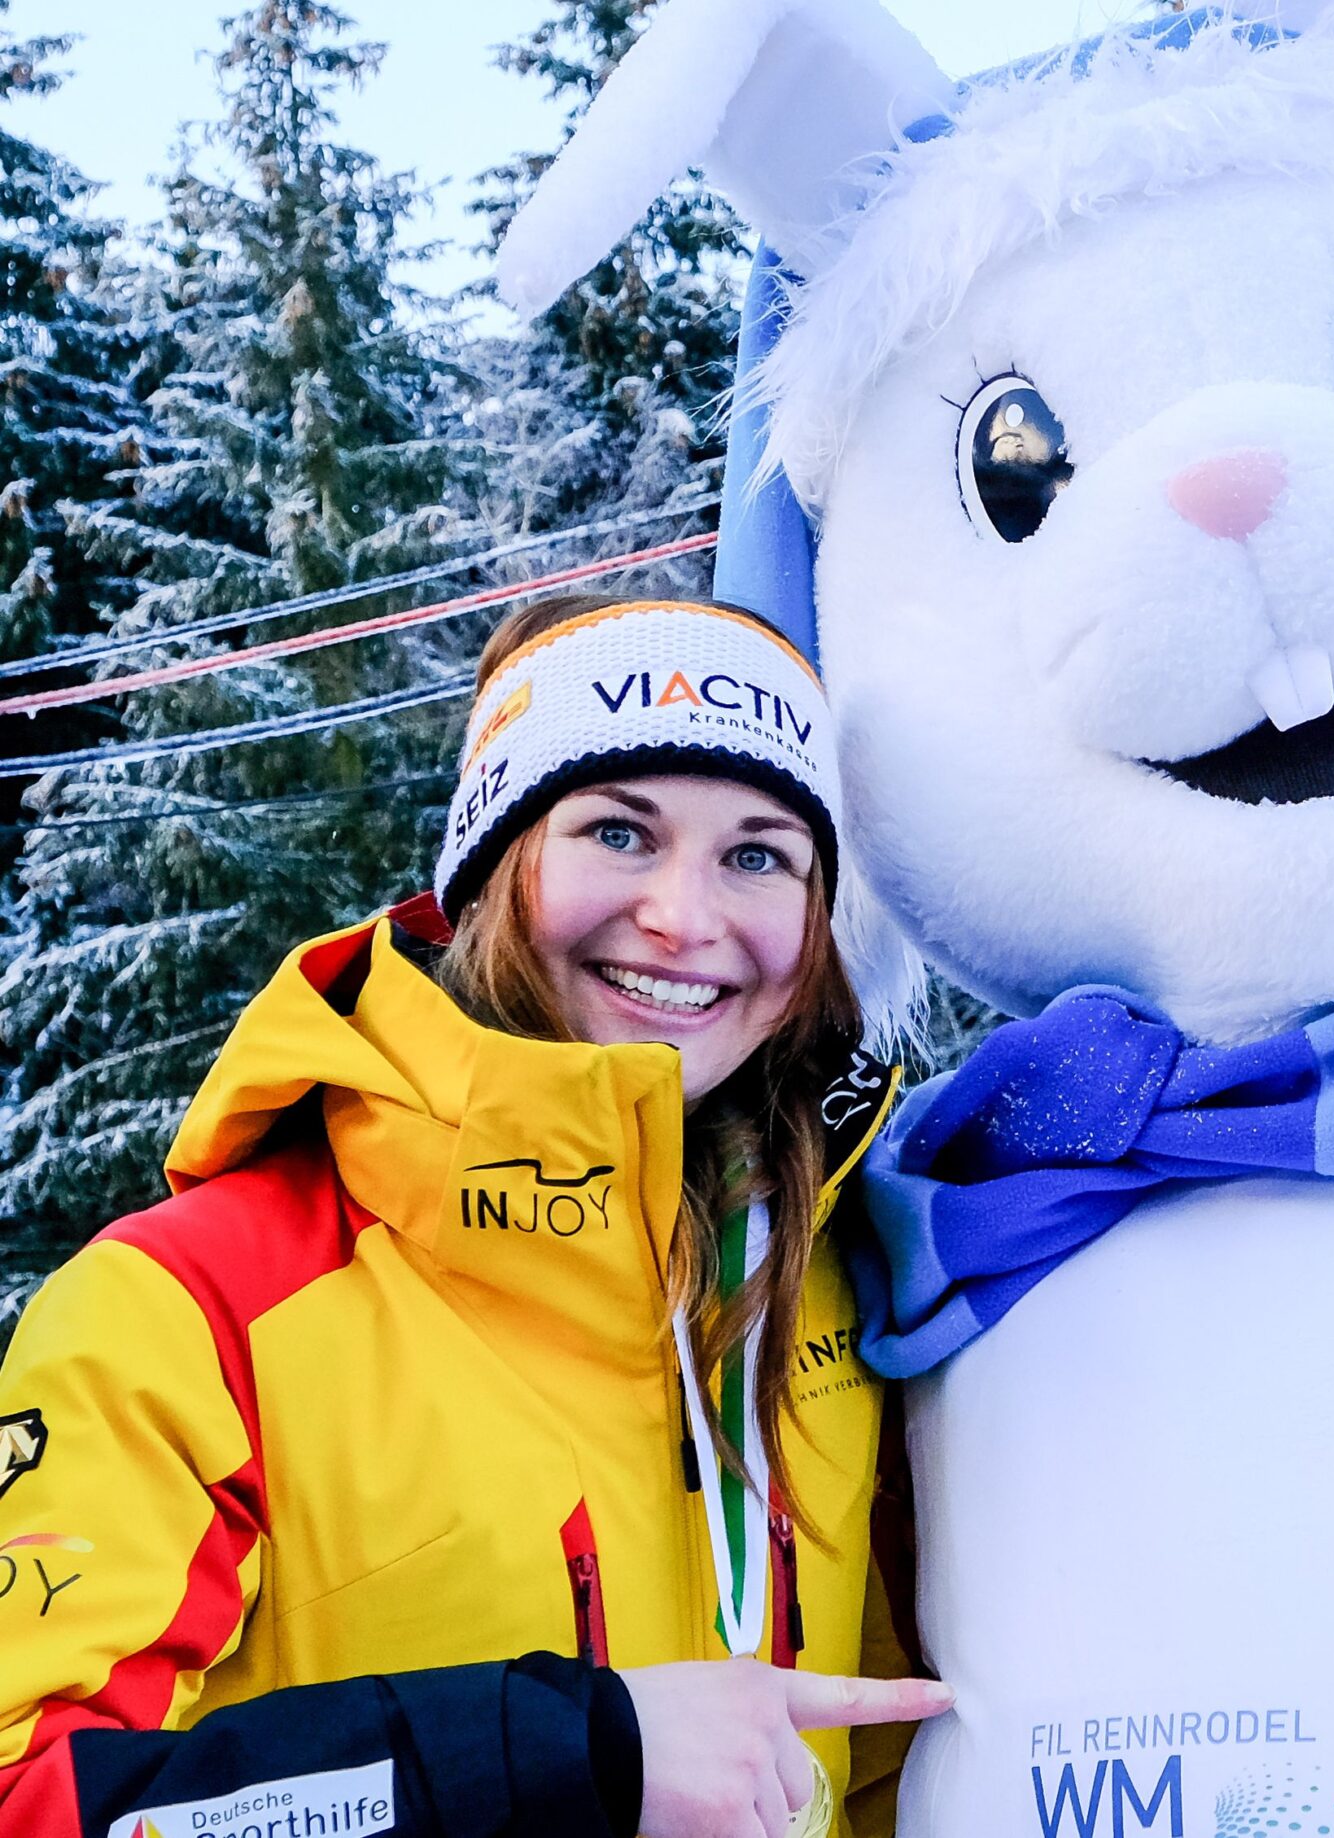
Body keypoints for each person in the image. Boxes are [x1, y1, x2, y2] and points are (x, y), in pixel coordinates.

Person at [0, 595, 948, 1838]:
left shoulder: (828, 1282)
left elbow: (885, 1767)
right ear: (495, 867)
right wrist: (563, 1755)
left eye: (759, 853)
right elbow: (40, 1802)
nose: (685, 915)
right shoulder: (190, 1312)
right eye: (618, 831)